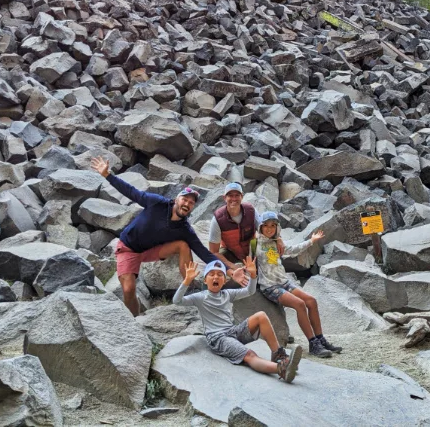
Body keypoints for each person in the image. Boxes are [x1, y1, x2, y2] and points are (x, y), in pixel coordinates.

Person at [90, 157, 244, 316]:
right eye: (185, 199)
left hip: (152, 250)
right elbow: (131, 192)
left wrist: (229, 270)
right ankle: (135, 320)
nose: (186, 204)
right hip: (129, 248)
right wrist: (108, 175)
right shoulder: (157, 203)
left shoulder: (184, 228)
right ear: (177, 199)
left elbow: (204, 253)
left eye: (191, 203)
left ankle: (189, 288)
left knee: (183, 245)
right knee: (128, 289)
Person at [174, 257, 303, 382]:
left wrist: (253, 275)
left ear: (224, 280)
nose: (215, 277)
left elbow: (250, 291)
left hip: (233, 331)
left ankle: (278, 355)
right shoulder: (200, 297)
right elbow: (177, 301)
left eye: (220, 275)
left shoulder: (227, 294)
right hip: (218, 338)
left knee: (261, 316)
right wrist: (186, 281)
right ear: (205, 280)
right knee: (249, 355)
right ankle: (282, 369)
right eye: (211, 274)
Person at [255, 211, 342, 358]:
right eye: (266, 226)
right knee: (300, 304)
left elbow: (293, 250)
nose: (269, 229)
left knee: (311, 301)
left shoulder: (276, 242)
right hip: (270, 286)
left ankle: (320, 339)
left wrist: (312, 241)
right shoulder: (255, 243)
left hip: (284, 281)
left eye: (273, 225)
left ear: (277, 228)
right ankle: (313, 343)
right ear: (261, 227)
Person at [208, 182, 283, 270]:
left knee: (270, 248)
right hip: (230, 251)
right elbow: (214, 251)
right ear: (224, 198)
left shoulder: (250, 211)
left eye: (237, 195)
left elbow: (265, 229)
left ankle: (272, 273)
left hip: (252, 247)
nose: (234, 198)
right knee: (214, 264)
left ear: (242, 196)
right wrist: (232, 266)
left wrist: (278, 238)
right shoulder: (218, 219)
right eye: (230, 195)